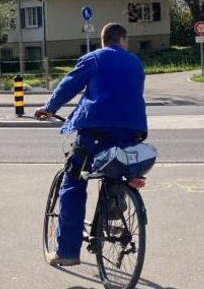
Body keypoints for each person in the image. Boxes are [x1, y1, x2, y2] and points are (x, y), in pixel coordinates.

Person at [34, 22, 147, 267]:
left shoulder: (93, 58)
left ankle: (67, 252)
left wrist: (49, 108)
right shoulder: (135, 62)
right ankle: (114, 197)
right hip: (132, 133)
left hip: (96, 131)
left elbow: (69, 85)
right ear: (123, 40)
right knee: (115, 166)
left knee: (73, 182)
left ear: (104, 40)